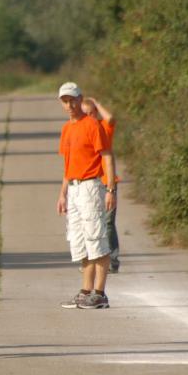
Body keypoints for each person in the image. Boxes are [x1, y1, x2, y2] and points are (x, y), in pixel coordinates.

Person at [55, 82, 117, 310]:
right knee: (79, 240)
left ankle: (99, 294)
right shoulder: (66, 129)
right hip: (73, 188)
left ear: (80, 100)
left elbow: (107, 156)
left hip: (91, 186)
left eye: (72, 100)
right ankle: (85, 291)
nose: (69, 105)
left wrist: (110, 189)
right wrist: (62, 194)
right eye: (65, 101)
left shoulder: (92, 125)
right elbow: (68, 164)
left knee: (96, 238)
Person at [81, 97, 120, 273]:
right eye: (85, 114)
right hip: (90, 183)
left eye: (92, 113)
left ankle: (112, 260)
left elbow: (110, 118)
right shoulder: (82, 131)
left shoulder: (103, 128)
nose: (89, 117)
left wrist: (96, 103)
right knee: (91, 222)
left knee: (108, 223)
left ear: (96, 113)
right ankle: (92, 260)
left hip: (107, 182)